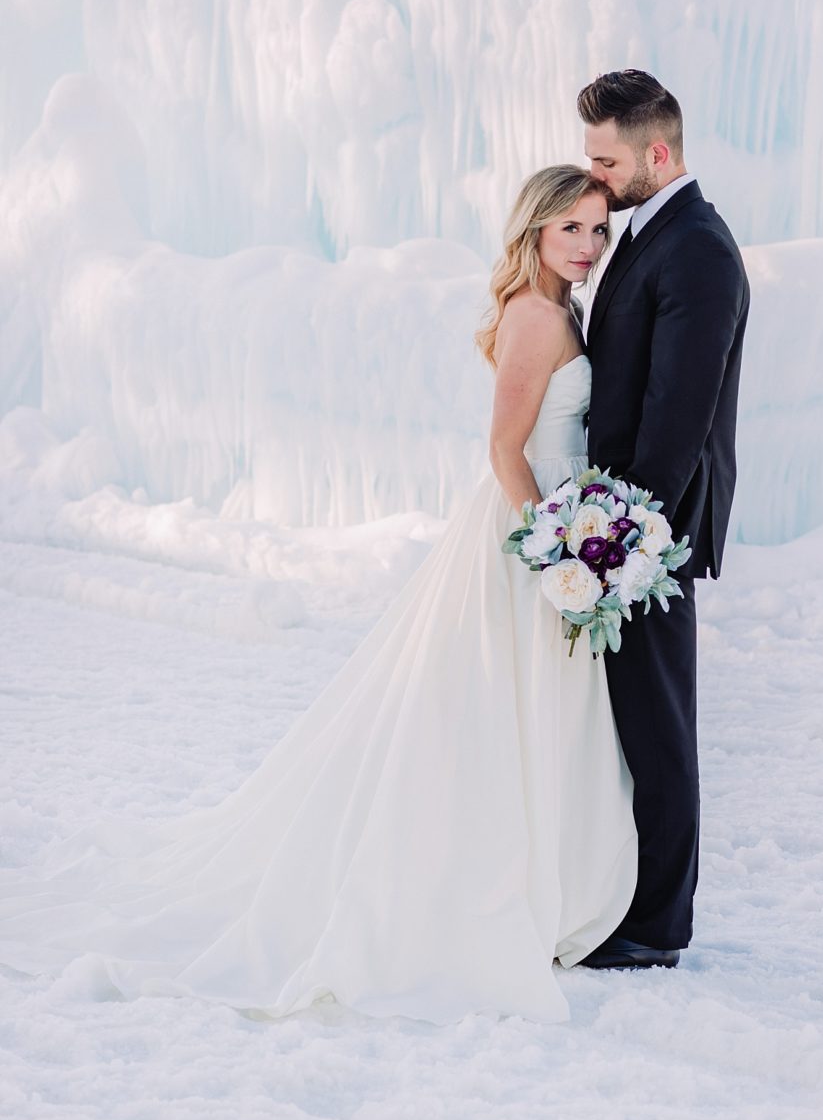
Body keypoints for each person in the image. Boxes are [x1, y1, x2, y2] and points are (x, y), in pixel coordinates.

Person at [0, 166, 637, 1025]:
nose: (590, 247)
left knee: (517, 708)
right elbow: (504, 449)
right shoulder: (534, 315)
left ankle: (532, 873)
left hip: (552, 518)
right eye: (573, 230)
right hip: (528, 530)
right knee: (497, 707)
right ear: (533, 232)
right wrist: (553, 553)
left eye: (598, 231)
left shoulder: (560, 306)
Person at [576, 70, 749, 972]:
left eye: (605, 160)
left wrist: (625, 542)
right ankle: (622, 900)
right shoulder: (649, 233)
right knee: (633, 719)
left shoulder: (699, 250)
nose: (593, 177)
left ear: (658, 151)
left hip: (651, 531)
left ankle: (654, 925)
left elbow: (678, 417)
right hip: (619, 525)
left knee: (659, 725)